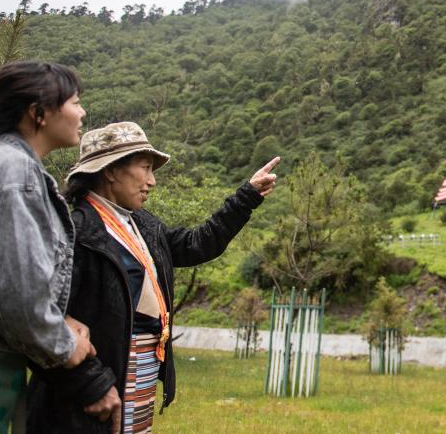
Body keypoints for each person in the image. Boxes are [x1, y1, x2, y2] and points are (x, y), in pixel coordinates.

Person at [25, 121, 279, 433]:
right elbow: (39, 323)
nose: (152, 181)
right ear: (111, 171)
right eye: (145, 168)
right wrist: (90, 383)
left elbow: (195, 244)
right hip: (90, 392)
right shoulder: (73, 232)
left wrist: (246, 197)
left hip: (137, 382)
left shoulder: (143, 225)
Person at [0, 61, 96, 433]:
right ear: (39, 113)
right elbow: (11, 296)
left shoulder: (9, 166)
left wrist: (56, 319)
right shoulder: (10, 173)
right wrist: (64, 343)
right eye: (75, 102)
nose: (82, 112)